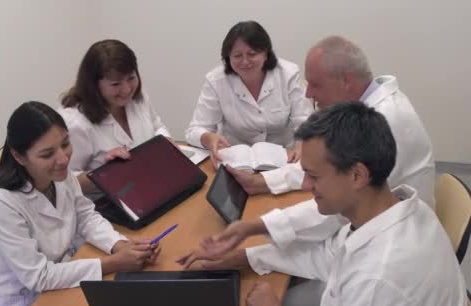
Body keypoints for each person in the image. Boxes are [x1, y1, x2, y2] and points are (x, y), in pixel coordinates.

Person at [178, 102, 467, 306]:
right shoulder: (397, 211)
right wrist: (244, 257)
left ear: (357, 175)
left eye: (314, 176)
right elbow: (328, 257)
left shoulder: (378, 278)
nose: (305, 186)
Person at [0, 102, 160, 306]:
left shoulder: (58, 173)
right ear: (18, 156)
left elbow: (86, 217)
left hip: (55, 285)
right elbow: (39, 277)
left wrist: (120, 245)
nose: (63, 159)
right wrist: (114, 263)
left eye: (66, 144)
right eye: (47, 154)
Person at [222, 36, 436, 251]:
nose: (308, 94)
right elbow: (328, 166)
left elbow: (337, 209)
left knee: (275, 271)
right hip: (374, 230)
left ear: (346, 81)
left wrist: (258, 226)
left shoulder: (386, 121)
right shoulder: (364, 111)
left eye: (315, 85)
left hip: (396, 243)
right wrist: (262, 182)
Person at [185, 20, 312, 168]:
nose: (245, 61)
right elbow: (195, 130)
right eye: (237, 55)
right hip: (235, 163)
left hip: (285, 160)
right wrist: (207, 137)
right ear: (228, 57)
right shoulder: (216, 81)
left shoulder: (288, 74)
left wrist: (302, 144)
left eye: (252, 54)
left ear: (266, 53)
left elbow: (305, 121)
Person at [59, 39, 172, 196]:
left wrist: (165, 143)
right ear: (94, 84)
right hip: (105, 203)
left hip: (148, 185)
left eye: (131, 78)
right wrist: (106, 173)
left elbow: (157, 126)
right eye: (115, 84)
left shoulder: (138, 97)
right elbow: (63, 182)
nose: (126, 89)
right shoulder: (75, 123)